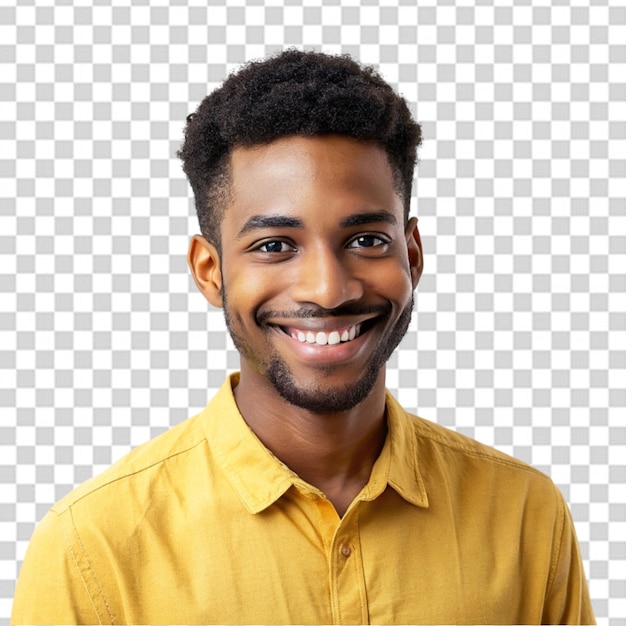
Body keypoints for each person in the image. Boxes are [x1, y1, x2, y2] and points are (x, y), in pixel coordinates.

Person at [12, 49, 594, 625]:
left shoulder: (526, 514)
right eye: (274, 246)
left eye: (366, 240)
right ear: (210, 272)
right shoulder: (91, 546)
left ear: (412, 256)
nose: (327, 289)